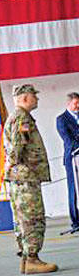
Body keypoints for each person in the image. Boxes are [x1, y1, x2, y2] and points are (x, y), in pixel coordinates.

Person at [3, 84, 57, 274]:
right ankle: (32, 259)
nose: (37, 99)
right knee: (32, 218)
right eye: (34, 96)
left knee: (24, 218)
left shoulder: (19, 117)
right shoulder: (21, 118)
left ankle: (27, 259)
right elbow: (17, 150)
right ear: (25, 98)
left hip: (21, 177)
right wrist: (23, 170)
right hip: (25, 178)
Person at [56, 92, 79, 234]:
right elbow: (67, 139)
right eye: (76, 103)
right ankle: (76, 220)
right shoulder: (61, 119)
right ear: (68, 104)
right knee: (74, 190)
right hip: (73, 158)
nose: (78, 106)